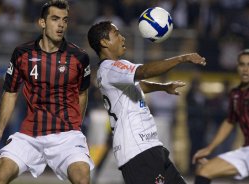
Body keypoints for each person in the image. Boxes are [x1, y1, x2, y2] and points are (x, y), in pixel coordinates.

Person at [0, 1, 94, 184]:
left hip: (66, 136)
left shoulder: (79, 57)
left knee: (82, 179)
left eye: (65, 20)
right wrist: (0, 130)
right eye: (55, 19)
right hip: (30, 135)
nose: (61, 25)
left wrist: (76, 127)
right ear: (42, 22)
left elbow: (82, 94)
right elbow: (10, 93)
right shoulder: (22, 54)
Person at [87, 20, 206, 184]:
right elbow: (144, 71)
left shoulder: (109, 71)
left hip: (148, 146)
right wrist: (182, 58)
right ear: (104, 42)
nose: (123, 38)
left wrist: (163, 87)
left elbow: (138, 85)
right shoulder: (111, 68)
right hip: (138, 150)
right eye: (117, 34)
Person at [192, 49, 249, 184]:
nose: (245, 69)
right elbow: (230, 121)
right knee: (204, 170)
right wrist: (209, 148)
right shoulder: (236, 94)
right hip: (247, 150)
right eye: (242, 64)